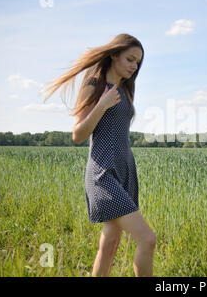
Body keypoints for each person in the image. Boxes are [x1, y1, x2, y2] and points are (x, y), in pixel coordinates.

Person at [40, 33, 156, 277]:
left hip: (124, 170)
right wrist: (102, 104)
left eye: (138, 63)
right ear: (114, 55)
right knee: (147, 239)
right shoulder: (95, 84)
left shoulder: (125, 89)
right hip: (102, 174)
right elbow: (78, 134)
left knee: (110, 242)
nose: (134, 66)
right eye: (130, 59)